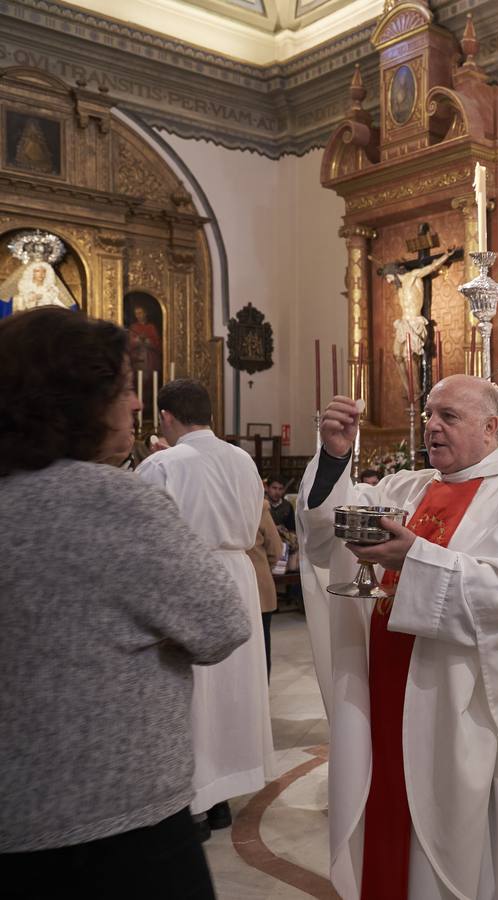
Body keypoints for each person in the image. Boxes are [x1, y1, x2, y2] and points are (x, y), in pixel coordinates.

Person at [300, 375, 498, 900]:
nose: (432, 426)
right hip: (386, 697)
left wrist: (414, 557)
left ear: (491, 428)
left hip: (461, 712)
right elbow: (330, 525)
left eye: (449, 417)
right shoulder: (410, 488)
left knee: (454, 854)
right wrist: (332, 456)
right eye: (429, 415)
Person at [0, 307, 249, 895]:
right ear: (76, 399)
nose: (137, 404)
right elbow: (220, 625)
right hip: (117, 821)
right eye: (122, 387)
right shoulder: (112, 499)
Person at [138, 378, 274, 838]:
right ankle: (222, 799)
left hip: (188, 576)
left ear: (167, 418)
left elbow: (144, 529)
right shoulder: (243, 459)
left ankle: (195, 805)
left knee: (194, 694)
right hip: (238, 575)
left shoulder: (162, 463)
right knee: (233, 691)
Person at [247, 498, 284, 678]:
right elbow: (275, 548)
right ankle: (262, 690)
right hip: (258, 580)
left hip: (224, 581)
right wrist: (265, 566)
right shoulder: (256, 505)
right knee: (262, 642)